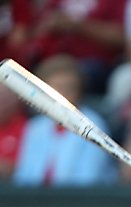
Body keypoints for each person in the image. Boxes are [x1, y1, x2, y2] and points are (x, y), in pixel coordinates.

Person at [12, 55, 116, 186]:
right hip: (35, 202)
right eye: (57, 88)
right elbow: (23, 175)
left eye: (69, 88)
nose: (63, 95)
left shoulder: (94, 126)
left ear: (79, 90)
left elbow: (89, 178)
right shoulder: (35, 127)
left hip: (81, 202)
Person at [0, 72, 27, 181]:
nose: (2, 101)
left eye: (6, 95)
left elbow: (26, 169)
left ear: (17, 97)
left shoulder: (30, 129)